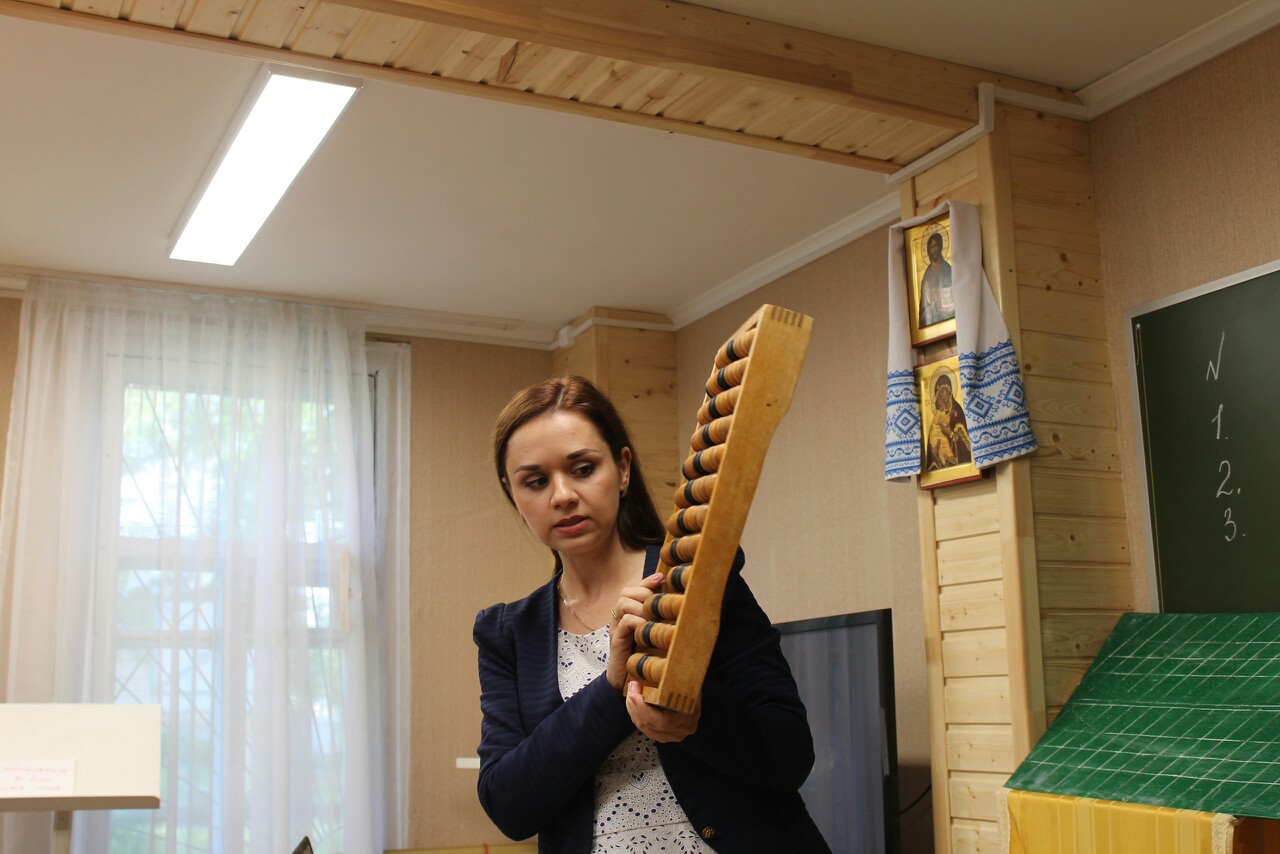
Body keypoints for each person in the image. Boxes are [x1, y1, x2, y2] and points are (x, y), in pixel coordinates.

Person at [474, 376, 829, 853]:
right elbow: (509, 806)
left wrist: (696, 716)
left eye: (583, 469)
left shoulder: (697, 577)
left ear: (622, 468)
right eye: (535, 481)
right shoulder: (507, 632)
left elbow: (790, 754)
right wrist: (612, 687)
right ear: (512, 492)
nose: (562, 496)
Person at [925, 370, 971, 470]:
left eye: (943, 391)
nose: (941, 395)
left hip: (958, 461)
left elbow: (964, 440)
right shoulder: (939, 413)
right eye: (939, 393)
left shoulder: (957, 411)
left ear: (949, 391)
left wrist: (950, 433)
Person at [918, 230, 954, 328]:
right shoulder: (927, 274)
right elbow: (924, 301)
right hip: (932, 316)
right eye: (931, 247)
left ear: (940, 247)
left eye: (936, 246)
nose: (934, 249)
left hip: (947, 314)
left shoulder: (947, 269)